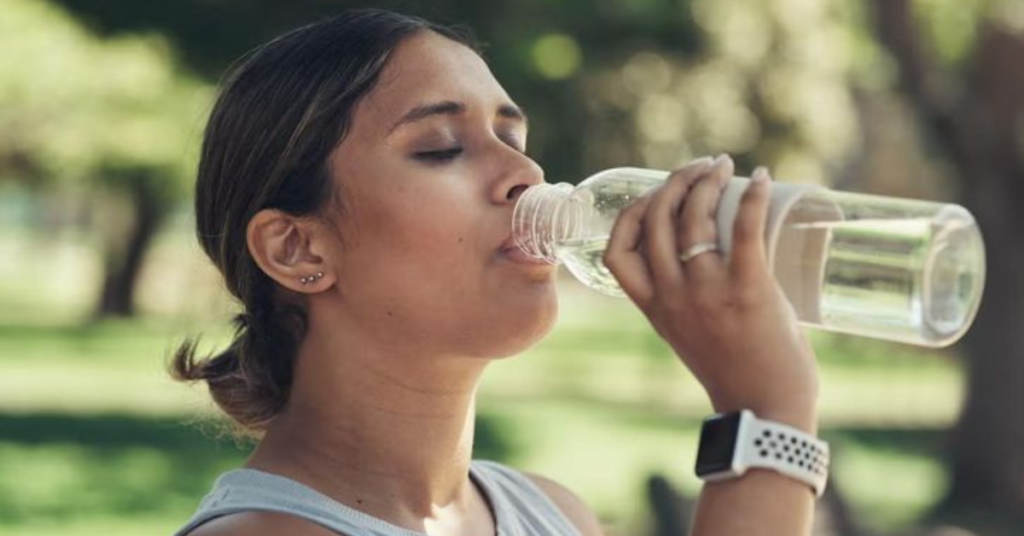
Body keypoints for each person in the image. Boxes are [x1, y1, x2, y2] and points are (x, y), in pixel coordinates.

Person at [171, 8, 822, 536]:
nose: (528, 176)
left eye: (513, 140)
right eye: (441, 149)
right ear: (296, 250)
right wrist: (767, 413)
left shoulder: (554, 514)